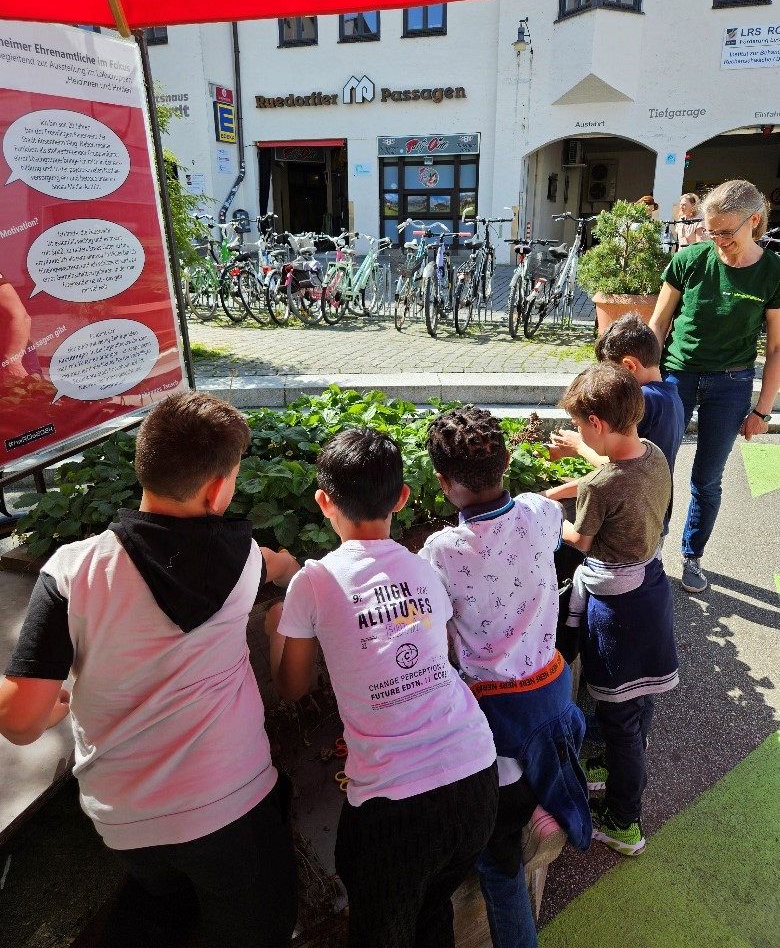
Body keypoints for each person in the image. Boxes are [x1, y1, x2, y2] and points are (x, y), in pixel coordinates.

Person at [0, 392, 300, 948]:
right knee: (258, 920)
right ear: (217, 489)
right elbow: (285, 567)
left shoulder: (72, 571)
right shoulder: (245, 562)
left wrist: (53, 706)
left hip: (125, 822)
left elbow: (19, 720)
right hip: (231, 802)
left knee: (167, 896)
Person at [265, 426, 498, 948]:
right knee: (432, 908)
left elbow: (293, 688)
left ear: (324, 501)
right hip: (476, 778)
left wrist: (274, 625)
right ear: (402, 497)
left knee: (380, 931)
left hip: (397, 810)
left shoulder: (313, 583)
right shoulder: (422, 570)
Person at [419, 406, 591, 948]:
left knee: (497, 863)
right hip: (554, 698)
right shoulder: (540, 514)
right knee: (557, 743)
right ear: (507, 459)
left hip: (495, 724)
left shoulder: (440, 552)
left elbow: (439, 631)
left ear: (443, 483)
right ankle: (552, 802)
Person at [559, 364, 679, 856]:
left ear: (598, 423)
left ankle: (624, 822)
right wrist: (580, 451)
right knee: (640, 700)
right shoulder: (651, 455)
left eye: (583, 428)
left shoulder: (599, 488)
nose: (584, 435)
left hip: (616, 609)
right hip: (650, 590)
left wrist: (541, 511)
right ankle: (624, 758)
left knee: (618, 717)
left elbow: (577, 541)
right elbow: (612, 465)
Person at [649, 179, 780, 593]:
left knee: (707, 479)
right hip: (676, 375)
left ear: (753, 221)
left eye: (727, 231)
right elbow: (658, 323)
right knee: (657, 468)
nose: (718, 240)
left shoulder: (772, 271)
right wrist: (644, 379)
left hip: (731, 383)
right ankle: (653, 548)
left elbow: (776, 347)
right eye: (711, 231)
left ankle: (693, 555)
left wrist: (763, 409)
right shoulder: (689, 260)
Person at [547, 312, 686, 533]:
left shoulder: (642, 400)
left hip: (632, 518)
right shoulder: (670, 394)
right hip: (654, 513)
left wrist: (578, 447)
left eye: (612, 371)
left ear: (629, 366)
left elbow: (616, 470)